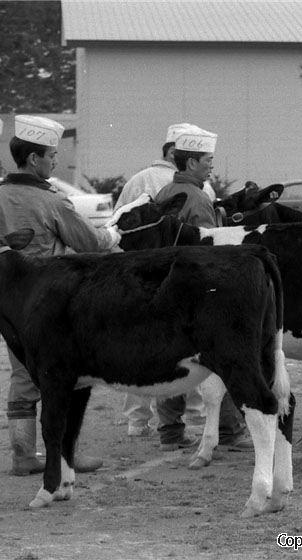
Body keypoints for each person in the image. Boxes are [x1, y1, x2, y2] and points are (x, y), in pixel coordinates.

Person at [0, 115, 121, 476]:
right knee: (67, 377)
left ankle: (23, 454)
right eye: (52, 155)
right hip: (55, 304)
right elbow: (91, 242)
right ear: (33, 159)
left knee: (23, 377)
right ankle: (65, 455)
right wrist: (115, 235)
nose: (55, 162)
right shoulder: (53, 202)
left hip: (11, 303)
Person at [150, 124, 252, 451]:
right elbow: (211, 249)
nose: (212, 165)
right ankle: (231, 431)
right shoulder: (198, 198)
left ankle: (169, 432)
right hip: (198, 291)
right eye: (208, 159)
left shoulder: (166, 192)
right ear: (191, 163)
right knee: (220, 360)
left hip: (166, 287)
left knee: (175, 362)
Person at [116, 123, 210, 438]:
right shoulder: (199, 189)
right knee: (190, 349)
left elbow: (119, 228)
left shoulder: (137, 181)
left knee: (144, 349)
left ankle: (137, 422)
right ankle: (192, 417)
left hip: (145, 276)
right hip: (185, 277)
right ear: (175, 153)